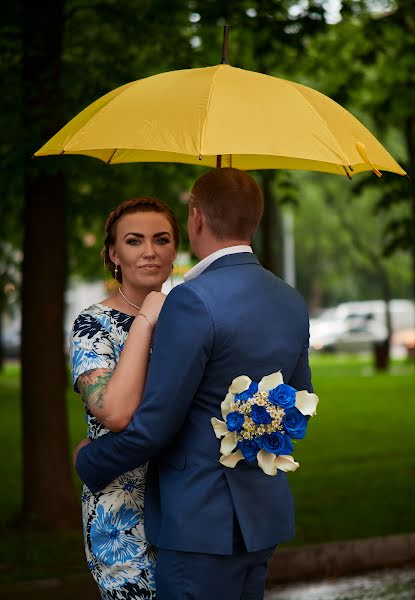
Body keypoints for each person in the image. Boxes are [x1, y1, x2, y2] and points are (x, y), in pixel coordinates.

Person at [75, 168, 313, 600]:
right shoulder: (289, 299)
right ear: (254, 220)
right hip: (260, 515)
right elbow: (297, 408)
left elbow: (156, 425)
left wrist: (89, 461)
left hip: (197, 517)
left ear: (196, 218)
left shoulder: (193, 299)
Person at [70, 196, 178, 600]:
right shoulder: (92, 326)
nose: (150, 251)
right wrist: (146, 320)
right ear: (113, 253)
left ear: (175, 250)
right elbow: (113, 412)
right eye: (135, 241)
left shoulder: (193, 317)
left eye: (161, 239)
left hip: (185, 499)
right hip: (120, 506)